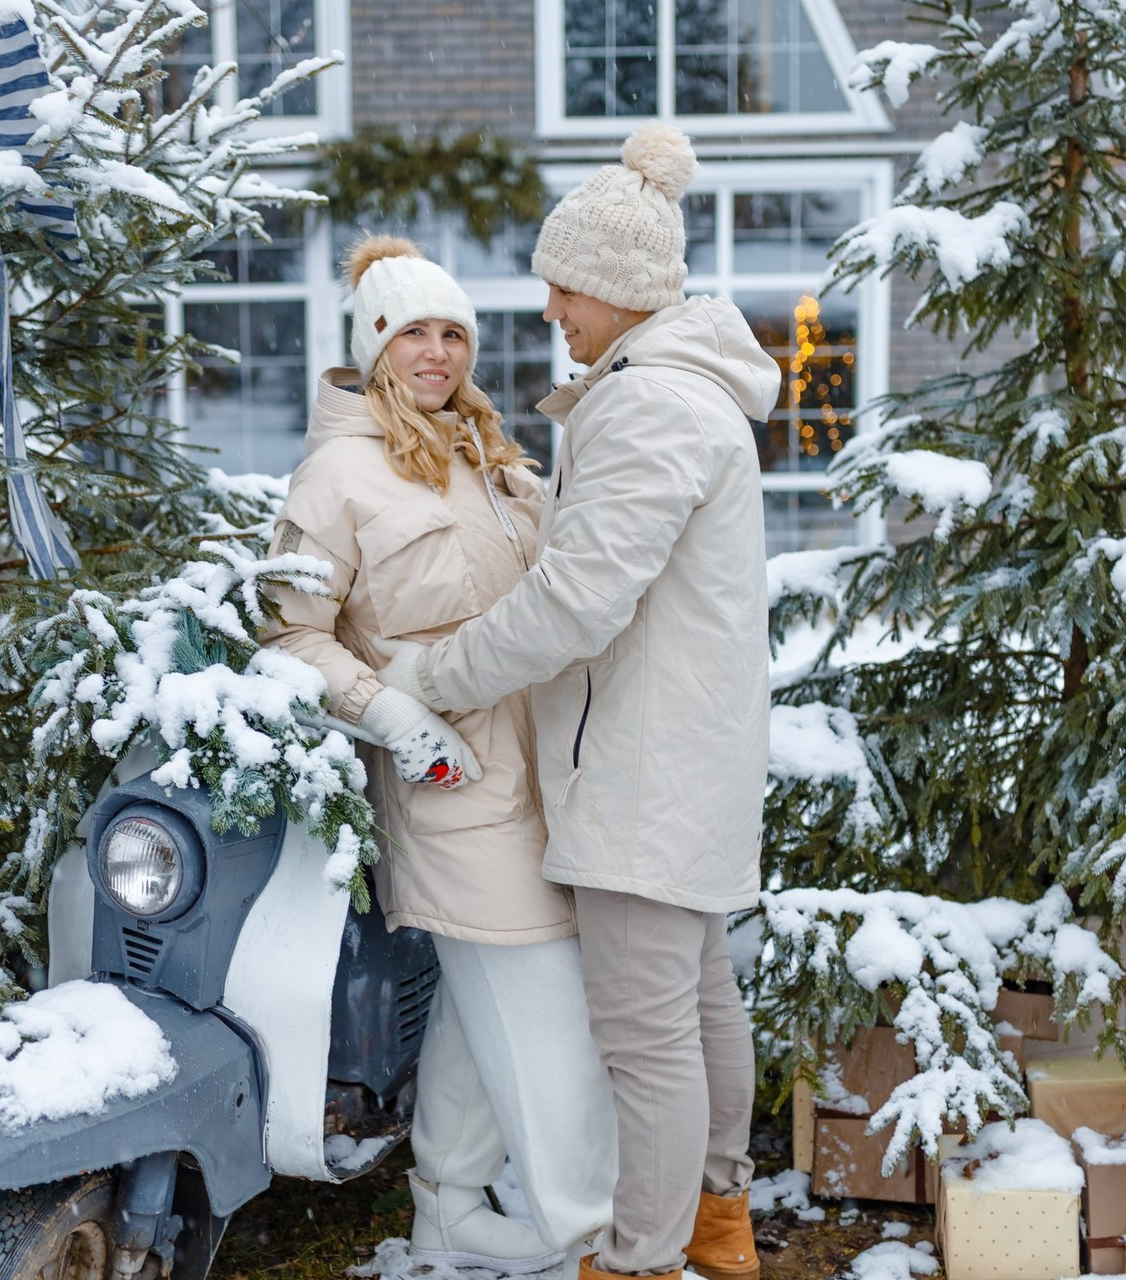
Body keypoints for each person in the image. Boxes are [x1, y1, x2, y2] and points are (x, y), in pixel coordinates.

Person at [375, 122, 782, 1280]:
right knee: (699, 999)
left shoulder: (651, 405)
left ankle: (644, 1259)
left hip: (642, 767)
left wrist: (434, 675)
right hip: (676, 755)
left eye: (564, 283)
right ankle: (714, 1222)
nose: (550, 302)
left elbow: (575, 601)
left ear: (612, 287)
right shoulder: (669, 390)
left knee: (644, 1032)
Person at [262, 235, 616, 1275]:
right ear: (372, 345)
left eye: (452, 331)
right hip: (449, 781)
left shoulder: (486, 456)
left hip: (542, 766)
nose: (436, 351)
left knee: (481, 999)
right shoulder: (335, 471)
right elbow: (289, 632)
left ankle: (450, 1210)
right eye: (411, 330)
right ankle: (586, 1237)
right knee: (545, 1008)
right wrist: (387, 712)